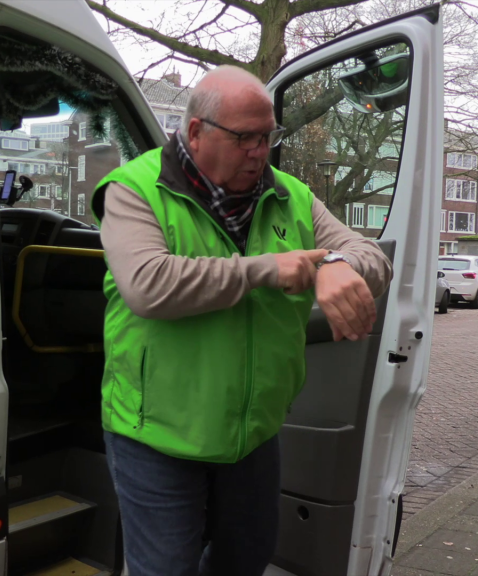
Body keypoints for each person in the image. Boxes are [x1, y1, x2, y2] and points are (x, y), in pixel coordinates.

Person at [91, 66, 393, 576]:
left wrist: (339, 264)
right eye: (245, 138)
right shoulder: (134, 189)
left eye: (267, 137)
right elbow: (148, 283)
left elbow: (372, 257)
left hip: (251, 433)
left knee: (247, 558)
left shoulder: (290, 196)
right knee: (165, 569)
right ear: (195, 132)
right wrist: (267, 270)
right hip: (157, 432)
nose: (260, 151)